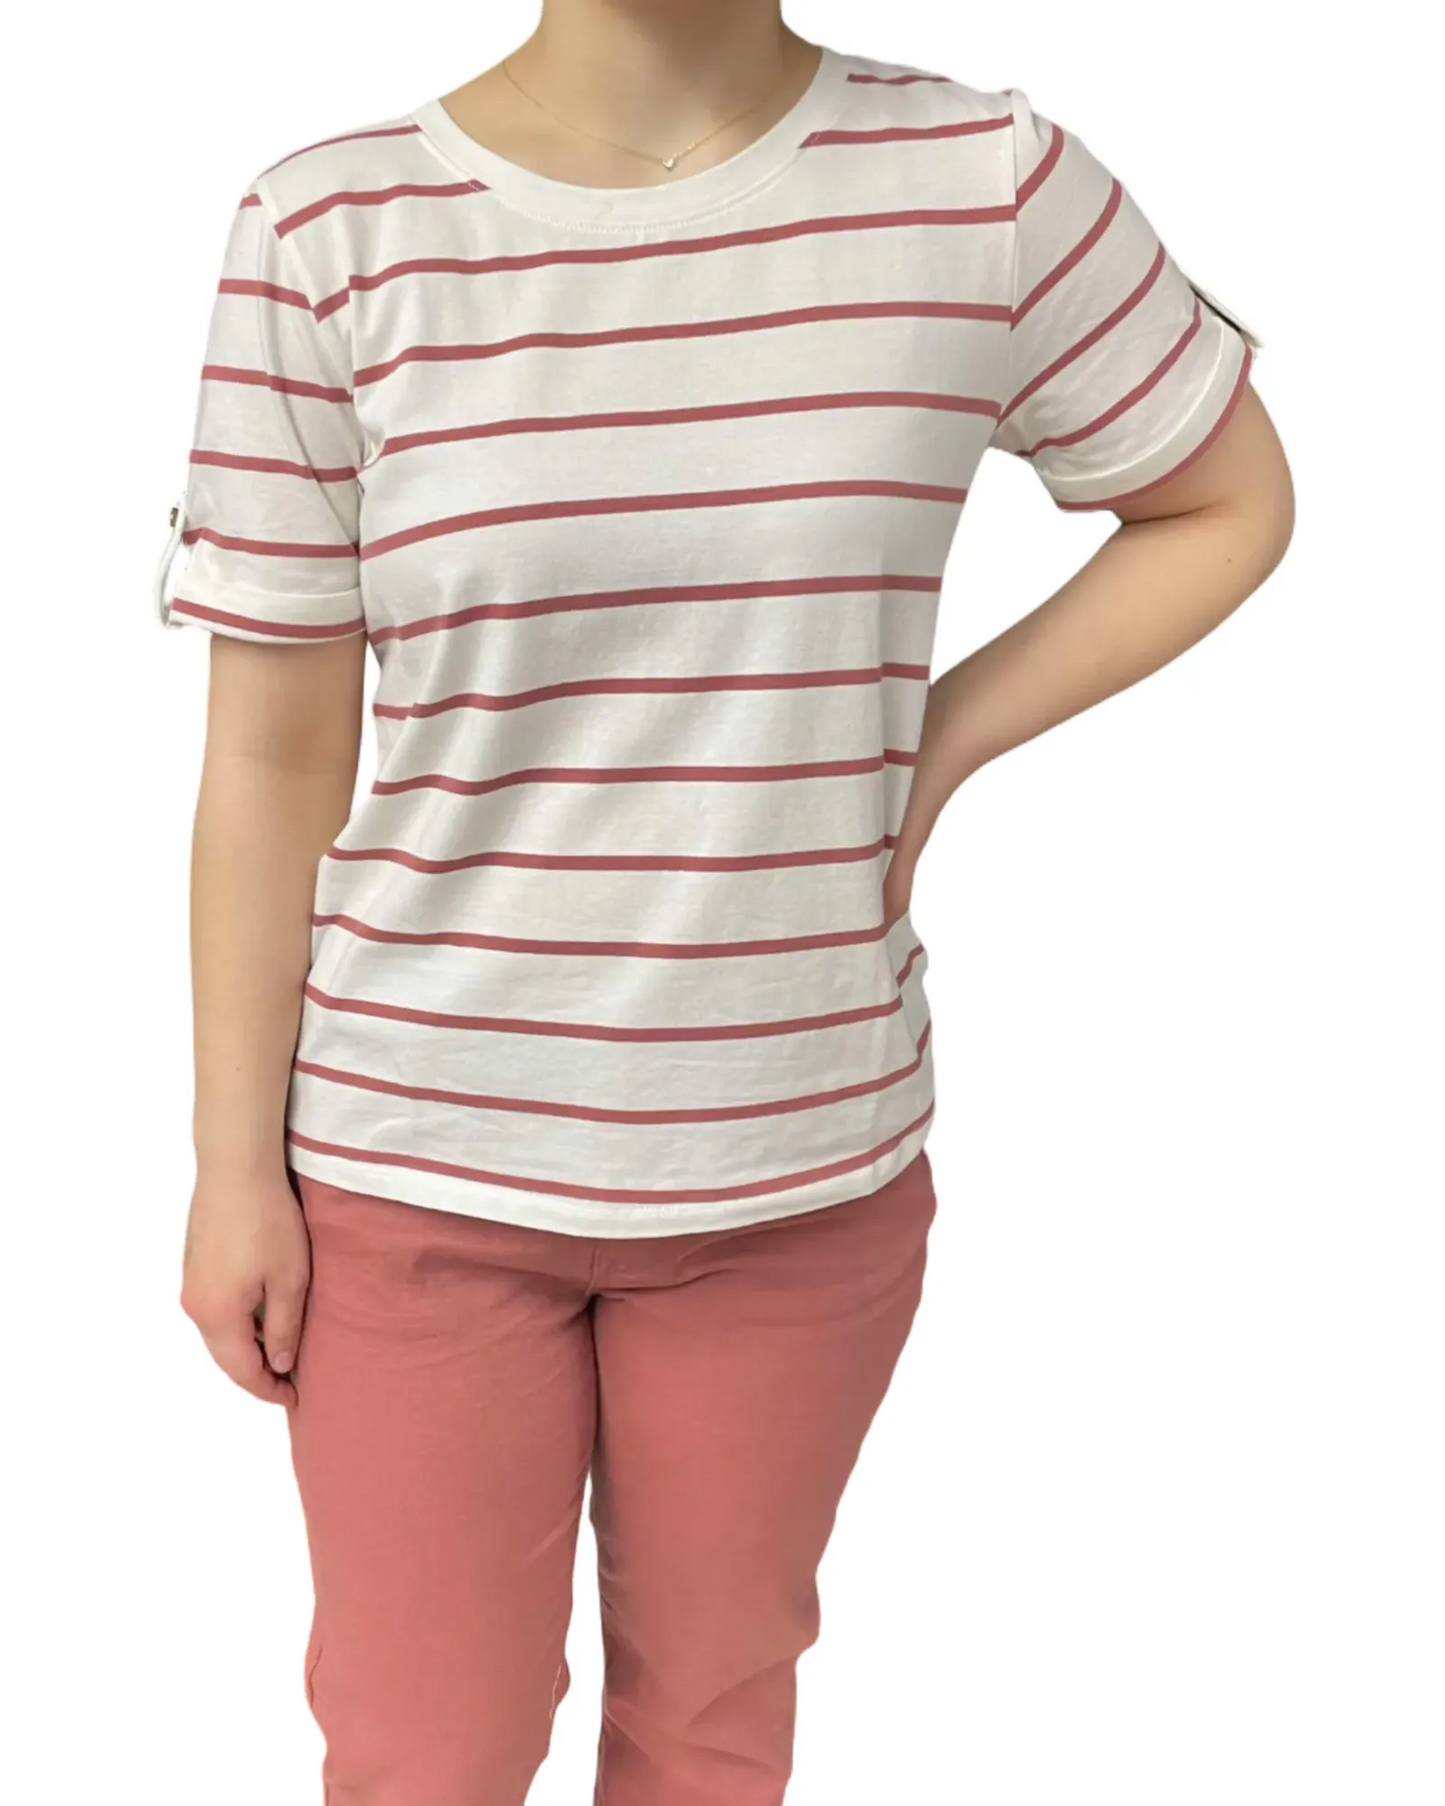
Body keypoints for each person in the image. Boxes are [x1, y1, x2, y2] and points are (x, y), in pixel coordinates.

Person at [163, 3, 1295, 1800]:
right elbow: (272, 753)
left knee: (711, 1735)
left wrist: (939, 744)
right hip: (416, 1164)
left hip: (799, 1156)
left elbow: (1225, 498)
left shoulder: (981, 182)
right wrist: (232, 1167)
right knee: (422, 1756)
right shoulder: (333, 229)